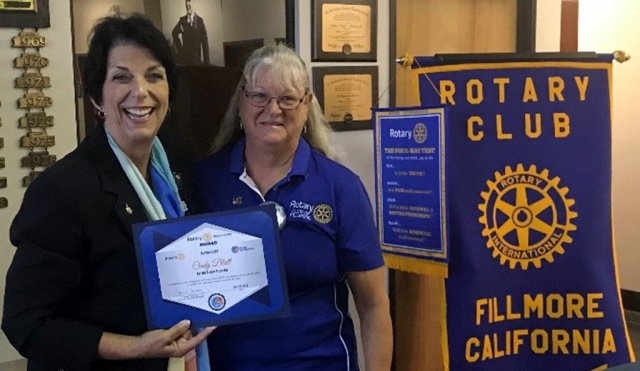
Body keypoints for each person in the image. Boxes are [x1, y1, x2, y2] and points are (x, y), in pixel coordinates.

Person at [2, 13, 214, 371]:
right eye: (121, 77)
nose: (140, 91)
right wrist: (134, 347)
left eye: (154, 76)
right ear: (97, 97)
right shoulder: (62, 190)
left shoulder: (179, 159)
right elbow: (27, 323)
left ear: (169, 92)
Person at [195, 45, 393, 371]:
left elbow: (373, 305)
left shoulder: (340, 186)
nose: (273, 109)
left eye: (287, 98)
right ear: (242, 101)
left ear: (307, 105)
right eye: (259, 96)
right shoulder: (205, 180)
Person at [172, 0, 210, 65]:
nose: (188, 6)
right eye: (186, 5)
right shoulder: (182, 20)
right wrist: (180, 50)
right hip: (185, 62)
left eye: (189, 5)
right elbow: (174, 33)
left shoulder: (199, 21)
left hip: (196, 61)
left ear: (194, 4)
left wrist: (207, 64)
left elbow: (205, 43)